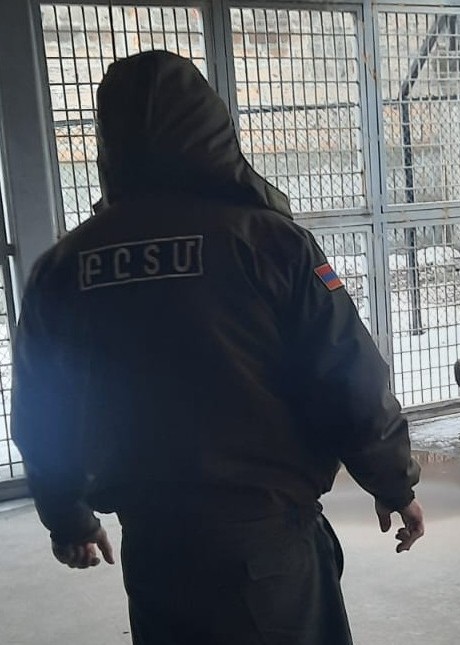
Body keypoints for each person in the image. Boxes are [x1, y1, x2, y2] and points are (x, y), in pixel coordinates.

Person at [11, 50, 423, 644]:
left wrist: (67, 516)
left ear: (109, 142)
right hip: (265, 543)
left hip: (155, 551)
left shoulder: (64, 266)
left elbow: (41, 411)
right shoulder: (270, 243)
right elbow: (347, 379)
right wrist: (393, 483)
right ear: (214, 129)